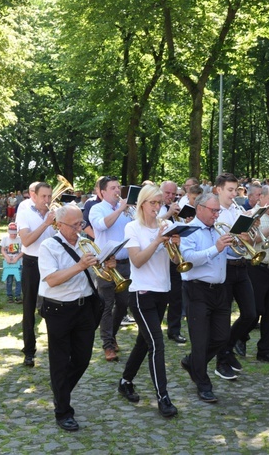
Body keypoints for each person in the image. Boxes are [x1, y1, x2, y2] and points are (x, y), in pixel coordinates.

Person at [38, 204, 103, 432]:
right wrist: (80, 266)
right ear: (59, 225)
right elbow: (52, 279)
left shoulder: (86, 245)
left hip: (85, 308)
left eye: (81, 224)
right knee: (59, 360)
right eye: (74, 225)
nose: (79, 229)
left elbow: (95, 271)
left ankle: (60, 391)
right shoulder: (48, 246)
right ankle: (63, 411)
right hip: (58, 310)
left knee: (83, 359)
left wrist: (105, 264)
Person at [118, 185, 179, 418]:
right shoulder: (132, 227)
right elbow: (137, 261)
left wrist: (173, 244)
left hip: (162, 289)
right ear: (142, 204)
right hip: (141, 292)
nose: (157, 207)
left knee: (143, 343)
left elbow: (175, 261)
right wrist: (157, 241)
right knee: (156, 344)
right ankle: (163, 397)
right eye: (152, 203)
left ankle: (125, 381)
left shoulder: (166, 225)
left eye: (159, 203)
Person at [179, 193, 232, 403]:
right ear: (199, 208)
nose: (216, 214)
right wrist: (216, 248)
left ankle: (193, 362)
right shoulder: (189, 231)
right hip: (197, 289)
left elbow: (231, 255)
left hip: (220, 289)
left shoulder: (218, 229)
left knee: (222, 337)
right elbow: (189, 259)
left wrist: (237, 244)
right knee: (200, 340)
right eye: (213, 210)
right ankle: (203, 383)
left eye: (218, 210)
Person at [239, 185, 269, 365]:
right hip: (256, 266)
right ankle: (240, 337)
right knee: (255, 310)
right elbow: (248, 240)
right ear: (261, 197)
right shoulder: (250, 215)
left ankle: (266, 351)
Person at [213, 173, 256, 379]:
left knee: (250, 313)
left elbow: (249, 241)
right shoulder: (215, 213)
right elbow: (222, 243)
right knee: (223, 317)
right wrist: (238, 238)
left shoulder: (239, 210)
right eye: (229, 190)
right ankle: (221, 361)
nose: (233, 194)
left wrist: (249, 233)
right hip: (226, 267)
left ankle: (228, 347)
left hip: (242, 265)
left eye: (235, 190)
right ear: (218, 189)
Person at [89, 176, 133, 362]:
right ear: (102, 192)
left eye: (119, 187)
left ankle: (112, 335)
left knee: (123, 304)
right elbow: (102, 225)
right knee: (107, 305)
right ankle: (107, 345)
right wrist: (121, 209)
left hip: (124, 263)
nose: (117, 191)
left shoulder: (126, 210)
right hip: (105, 264)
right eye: (113, 188)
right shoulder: (97, 208)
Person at [17, 181, 56, 367]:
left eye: (49, 197)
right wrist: (46, 224)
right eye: (43, 197)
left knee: (53, 306)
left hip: (51, 264)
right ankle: (29, 351)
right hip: (32, 263)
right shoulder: (24, 214)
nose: (47, 200)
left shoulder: (54, 214)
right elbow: (26, 240)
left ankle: (55, 348)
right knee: (29, 308)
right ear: (34, 196)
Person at [159, 180, 185, 344]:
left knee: (176, 296)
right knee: (160, 296)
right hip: (158, 258)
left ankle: (174, 330)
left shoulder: (175, 210)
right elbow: (153, 224)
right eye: (167, 193)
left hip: (173, 257)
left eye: (173, 194)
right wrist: (168, 213)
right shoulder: (155, 208)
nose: (170, 196)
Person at [1, 222, 23, 303]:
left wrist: (17, 258)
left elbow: (23, 251)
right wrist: (7, 257)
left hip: (18, 263)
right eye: (11, 234)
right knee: (9, 280)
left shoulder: (20, 240)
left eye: (15, 234)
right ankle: (9, 295)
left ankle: (18, 295)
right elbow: (2, 250)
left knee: (18, 280)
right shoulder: (5, 239)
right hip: (8, 263)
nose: (13, 236)